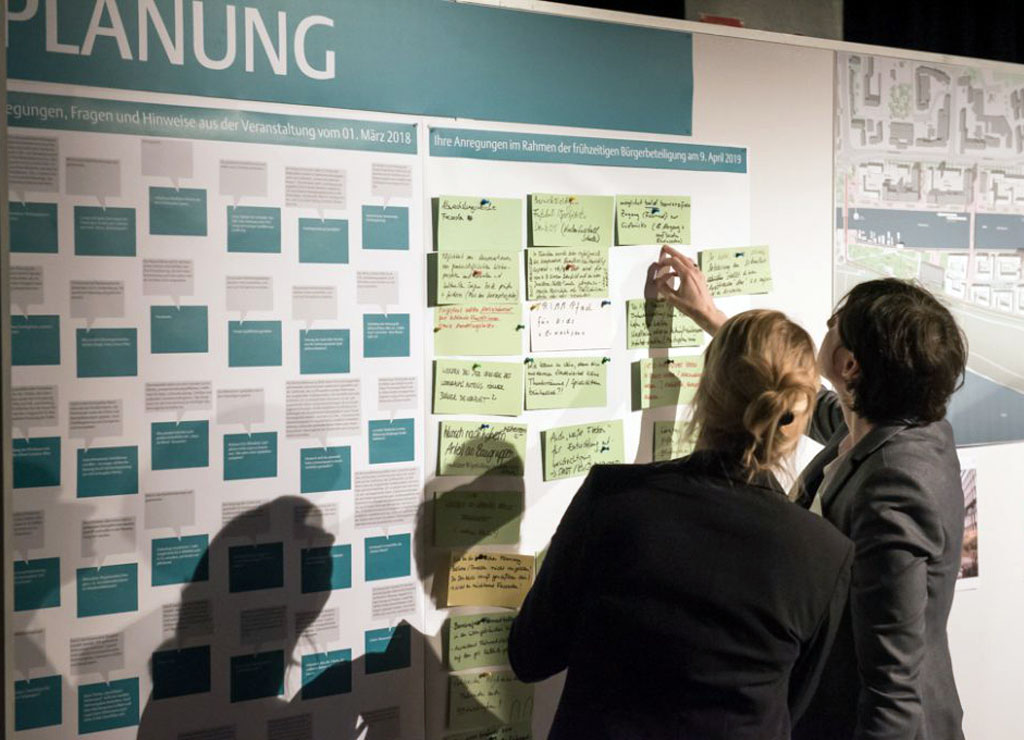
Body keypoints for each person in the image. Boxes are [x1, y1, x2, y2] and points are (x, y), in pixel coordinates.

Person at [655, 245, 967, 740]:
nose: (826, 324)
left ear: (849, 365)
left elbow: (891, 683)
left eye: (834, 323)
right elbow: (815, 406)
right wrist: (712, 317)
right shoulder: (891, 424)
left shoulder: (895, 486)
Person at [509, 309, 855, 740]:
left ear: (705, 393)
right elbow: (798, 707)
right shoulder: (825, 553)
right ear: (798, 419)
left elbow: (530, 656)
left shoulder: (612, 499)